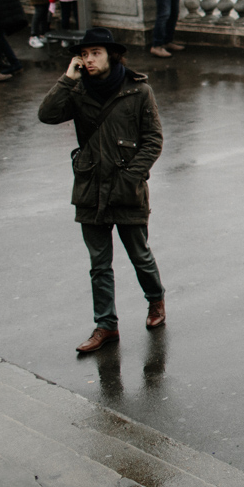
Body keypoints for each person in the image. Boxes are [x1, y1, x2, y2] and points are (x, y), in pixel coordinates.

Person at [37, 28, 166, 352]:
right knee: (99, 263)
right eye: (84, 54)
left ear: (112, 55)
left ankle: (156, 300)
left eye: (95, 53)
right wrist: (68, 78)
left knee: (139, 255)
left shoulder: (138, 91)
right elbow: (47, 114)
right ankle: (106, 325)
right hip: (90, 187)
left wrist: (131, 177)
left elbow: (153, 140)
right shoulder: (78, 90)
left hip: (126, 188)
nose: (88, 59)